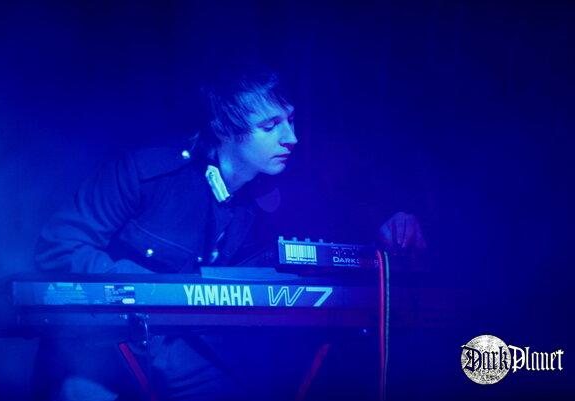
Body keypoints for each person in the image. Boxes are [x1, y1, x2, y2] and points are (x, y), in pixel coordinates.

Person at [33, 63, 425, 401]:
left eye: (290, 121)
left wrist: (386, 225)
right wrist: (146, 287)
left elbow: (338, 216)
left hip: (186, 353)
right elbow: (59, 245)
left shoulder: (273, 192)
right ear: (223, 128)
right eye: (270, 126)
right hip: (101, 346)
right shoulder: (145, 171)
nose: (291, 138)